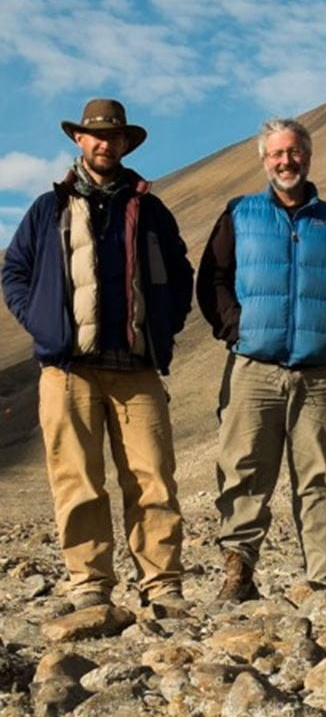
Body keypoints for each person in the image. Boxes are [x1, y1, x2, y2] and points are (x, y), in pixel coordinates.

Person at [2, 98, 193, 609]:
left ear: (126, 143)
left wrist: (163, 328)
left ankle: (162, 583)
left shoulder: (149, 209)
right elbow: (14, 272)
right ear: (79, 141)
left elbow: (180, 275)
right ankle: (89, 582)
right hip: (69, 370)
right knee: (77, 479)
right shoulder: (49, 208)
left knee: (152, 478)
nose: (105, 143)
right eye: (96, 135)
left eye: (114, 135)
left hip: (137, 367)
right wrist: (44, 324)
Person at [196, 118, 326, 601]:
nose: (286, 161)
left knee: (324, 477)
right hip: (253, 367)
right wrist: (236, 327)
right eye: (277, 154)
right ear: (264, 160)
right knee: (243, 470)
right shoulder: (240, 213)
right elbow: (214, 278)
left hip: (319, 372)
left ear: (307, 157)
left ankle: (325, 580)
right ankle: (238, 573)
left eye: (294, 152)